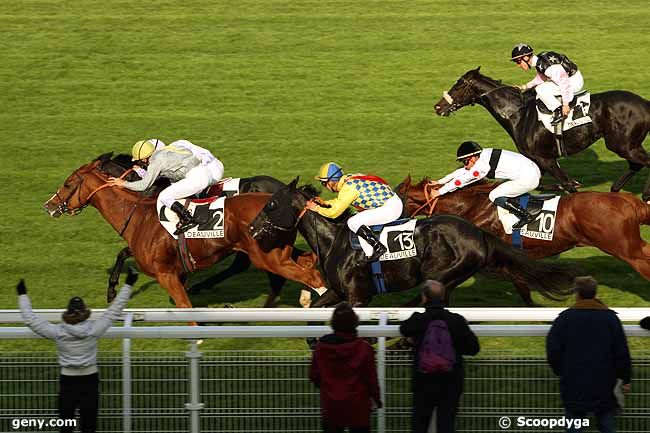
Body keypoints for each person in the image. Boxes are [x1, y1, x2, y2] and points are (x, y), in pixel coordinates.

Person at [16, 267, 137, 433]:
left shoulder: (58, 332)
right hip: (90, 380)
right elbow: (115, 310)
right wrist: (129, 284)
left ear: (68, 313)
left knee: (66, 426)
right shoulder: (94, 330)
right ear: (85, 312)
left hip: (68, 382)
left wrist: (22, 295)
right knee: (89, 426)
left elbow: (30, 319)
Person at [546, 276, 632, 433]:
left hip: (573, 383)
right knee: (607, 426)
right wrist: (626, 378)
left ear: (577, 294)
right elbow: (621, 352)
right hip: (605, 384)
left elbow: (553, 350)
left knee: (574, 427)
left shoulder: (565, 319)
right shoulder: (610, 319)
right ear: (595, 293)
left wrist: (561, 371)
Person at [399, 280, 480, 433]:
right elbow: (474, 348)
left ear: (424, 298)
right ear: (443, 296)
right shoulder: (456, 320)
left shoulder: (418, 320)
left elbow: (404, 328)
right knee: (446, 424)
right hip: (451, 381)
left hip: (423, 380)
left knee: (419, 425)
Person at [108, 139, 224, 234]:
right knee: (174, 184)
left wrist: (123, 183)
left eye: (140, 161)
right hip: (204, 171)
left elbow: (143, 186)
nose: (141, 163)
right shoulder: (165, 151)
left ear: (144, 158)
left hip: (197, 177)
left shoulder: (156, 162)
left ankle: (187, 219)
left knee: (164, 196)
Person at [429, 141, 542, 229]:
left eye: (465, 161)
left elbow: (460, 181)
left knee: (494, 195)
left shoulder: (482, 167)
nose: (465, 164)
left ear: (473, 158)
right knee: (500, 187)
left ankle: (525, 216)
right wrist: (441, 181)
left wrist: (439, 192)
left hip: (529, 178)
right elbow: (463, 171)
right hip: (531, 170)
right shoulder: (484, 154)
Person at [307, 162, 403, 261]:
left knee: (353, 222)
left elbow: (334, 213)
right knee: (356, 218)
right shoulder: (349, 178)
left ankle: (378, 247)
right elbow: (340, 202)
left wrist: (316, 208)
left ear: (331, 181)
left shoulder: (348, 188)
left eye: (324, 183)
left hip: (390, 208)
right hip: (391, 201)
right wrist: (324, 203)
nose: (324, 186)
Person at [309, 303, 382, 433]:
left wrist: (328, 387)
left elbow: (314, 375)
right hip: (358, 406)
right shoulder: (364, 348)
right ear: (354, 322)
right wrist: (377, 398)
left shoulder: (321, 347)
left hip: (331, 405)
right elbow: (371, 379)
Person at [511, 43, 584, 125]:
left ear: (526, 57)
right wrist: (524, 87)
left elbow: (564, 83)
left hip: (573, 82)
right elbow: (541, 78)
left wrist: (565, 104)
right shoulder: (540, 60)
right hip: (570, 78)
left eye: (518, 61)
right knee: (540, 88)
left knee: (540, 89)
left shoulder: (547, 66)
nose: (518, 65)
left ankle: (558, 111)